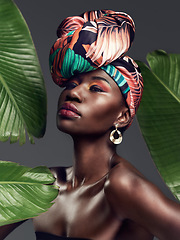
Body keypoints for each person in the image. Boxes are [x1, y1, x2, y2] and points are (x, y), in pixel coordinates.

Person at [0, 9, 180, 240]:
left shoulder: (122, 185)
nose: (73, 93)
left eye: (96, 88)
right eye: (71, 84)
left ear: (122, 116)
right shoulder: (47, 183)